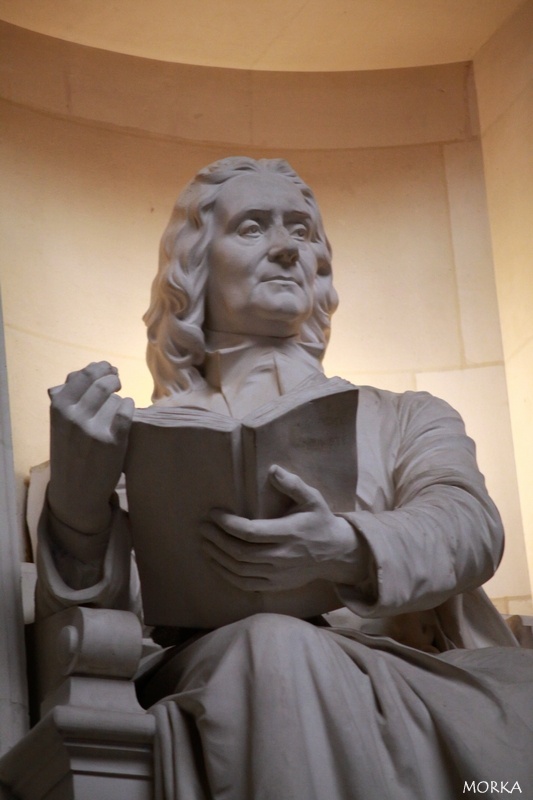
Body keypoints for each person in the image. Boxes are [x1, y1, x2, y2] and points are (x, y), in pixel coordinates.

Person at [37, 157, 533, 800]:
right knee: (273, 650)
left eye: (300, 231)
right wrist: (79, 502)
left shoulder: (408, 415)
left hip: (401, 670)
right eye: (251, 228)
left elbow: (468, 525)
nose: (284, 248)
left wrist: (347, 548)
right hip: (218, 670)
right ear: (193, 267)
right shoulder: (132, 438)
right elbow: (85, 624)